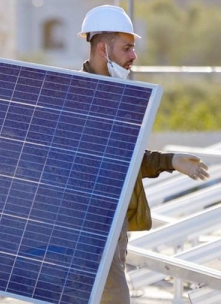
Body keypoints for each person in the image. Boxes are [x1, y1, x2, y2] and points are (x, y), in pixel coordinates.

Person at [77, 5, 210, 303]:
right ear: (103, 48)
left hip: (114, 223)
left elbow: (127, 156)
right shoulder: (75, 98)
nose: (133, 56)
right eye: (127, 48)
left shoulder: (120, 97)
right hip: (88, 224)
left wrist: (170, 161)